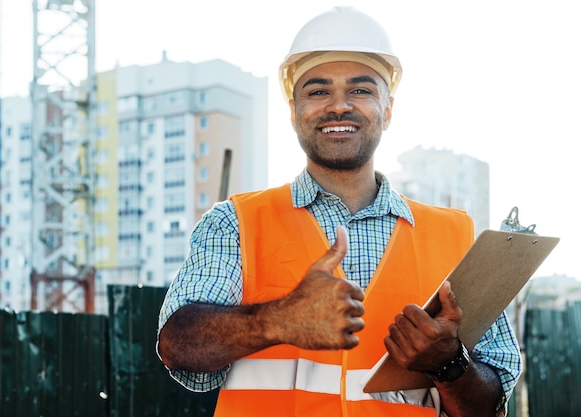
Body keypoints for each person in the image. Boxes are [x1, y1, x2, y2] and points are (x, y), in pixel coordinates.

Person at [156, 6, 521, 417]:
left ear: (388, 109)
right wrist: (279, 320)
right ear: (294, 112)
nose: (339, 106)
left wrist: (449, 362)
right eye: (317, 90)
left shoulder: (455, 238)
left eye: (361, 90)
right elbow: (177, 347)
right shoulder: (234, 224)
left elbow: (488, 407)